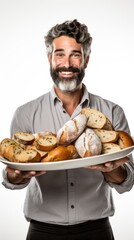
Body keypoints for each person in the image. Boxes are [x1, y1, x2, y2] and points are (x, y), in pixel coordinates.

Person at [2, 19, 134, 240]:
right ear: (49, 59)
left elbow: (127, 181)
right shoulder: (25, 113)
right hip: (42, 231)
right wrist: (15, 175)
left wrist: (110, 168)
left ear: (86, 60)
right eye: (59, 54)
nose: (67, 63)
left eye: (75, 54)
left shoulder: (111, 112)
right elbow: (13, 181)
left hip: (97, 231)